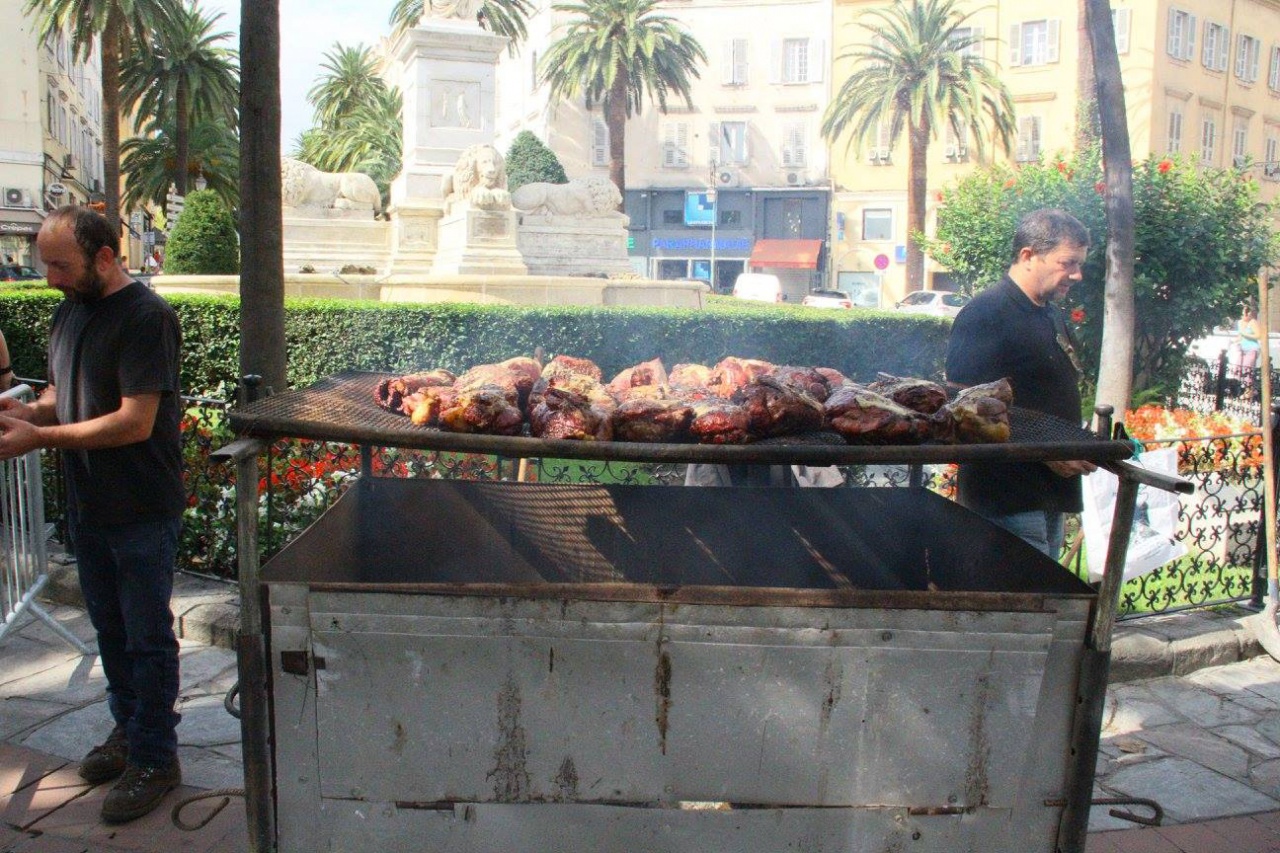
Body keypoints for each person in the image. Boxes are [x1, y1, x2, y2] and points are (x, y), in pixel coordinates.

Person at [0, 206, 184, 824]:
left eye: (60, 265)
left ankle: (156, 757)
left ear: (104, 258)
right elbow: (61, 395)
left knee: (147, 638)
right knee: (110, 631)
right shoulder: (71, 308)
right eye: (45, 264)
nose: (48, 277)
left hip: (141, 508)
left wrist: (39, 439)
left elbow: (135, 422)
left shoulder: (147, 317)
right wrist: (28, 414)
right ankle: (129, 732)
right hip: (90, 505)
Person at [945, 208, 1097, 558]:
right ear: (1028, 256)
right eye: (1068, 263)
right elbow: (962, 405)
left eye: (1079, 264)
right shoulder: (985, 314)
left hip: (1048, 494)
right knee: (1019, 589)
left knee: (1044, 588)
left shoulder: (1050, 314)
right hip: (1005, 497)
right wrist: (1045, 450)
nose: (1077, 275)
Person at [1235, 302, 1261, 385]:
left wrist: (1245, 334)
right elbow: (1240, 336)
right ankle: (1238, 386)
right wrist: (1234, 341)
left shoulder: (1253, 322)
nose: (1246, 315)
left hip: (1252, 348)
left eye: (1248, 313)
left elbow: (1258, 335)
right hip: (1241, 348)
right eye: (1244, 313)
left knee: (1247, 367)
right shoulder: (1240, 322)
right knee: (1237, 367)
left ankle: (1248, 388)